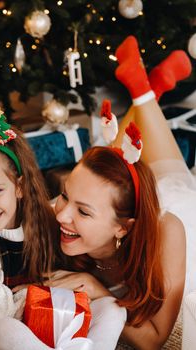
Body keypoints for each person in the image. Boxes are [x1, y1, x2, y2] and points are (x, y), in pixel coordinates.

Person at [0, 112, 126, 350]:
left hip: (45, 322)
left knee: (112, 308)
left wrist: (59, 305)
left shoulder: (42, 221)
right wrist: (42, 295)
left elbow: (63, 278)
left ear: (19, 187)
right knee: (8, 329)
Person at [46, 36, 191, 349]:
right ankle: (146, 91)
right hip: (127, 196)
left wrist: (98, 291)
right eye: (65, 195)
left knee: (175, 173)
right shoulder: (66, 212)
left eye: (83, 211)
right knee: (120, 158)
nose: (61, 214)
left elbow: (154, 340)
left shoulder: (168, 235)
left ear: (124, 228)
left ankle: (146, 91)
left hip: (185, 211)